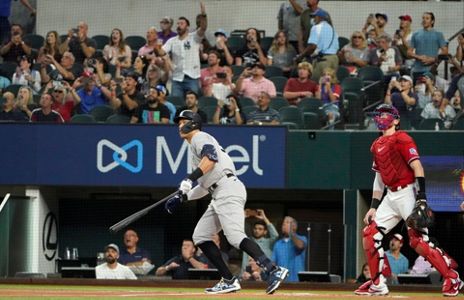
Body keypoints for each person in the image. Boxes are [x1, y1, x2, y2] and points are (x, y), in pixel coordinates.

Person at [164, 110, 289, 294]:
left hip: (227, 188)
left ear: (194, 123)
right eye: (178, 123)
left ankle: (273, 270)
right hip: (218, 191)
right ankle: (229, 279)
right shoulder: (192, 149)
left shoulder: (199, 136)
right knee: (200, 236)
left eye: (183, 121)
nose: (180, 126)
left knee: (235, 237)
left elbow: (211, 159)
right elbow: (205, 186)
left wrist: (189, 179)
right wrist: (183, 196)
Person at [354, 103, 462, 297]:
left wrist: (421, 198)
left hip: (408, 192)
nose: (381, 117)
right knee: (370, 234)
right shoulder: (376, 144)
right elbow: (379, 179)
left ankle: (451, 276)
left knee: (418, 240)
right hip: (390, 195)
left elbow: (418, 167)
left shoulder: (402, 138)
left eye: (386, 114)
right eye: (379, 114)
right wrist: (373, 207)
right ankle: (377, 283)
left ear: (396, 120)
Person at [162, 3, 207, 98]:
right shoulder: (172, 41)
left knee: (192, 103)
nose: (179, 25)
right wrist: (158, 50)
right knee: (176, 103)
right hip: (177, 79)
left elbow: (203, 28)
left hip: (192, 78)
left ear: (187, 26)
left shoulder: (194, 37)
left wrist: (203, 14)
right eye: (178, 24)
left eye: (181, 23)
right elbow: (162, 52)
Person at [297, 10, 339, 82]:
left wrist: (301, 56)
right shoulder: (333, 29)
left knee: (316, 83)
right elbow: (337, 47)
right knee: (330, 83)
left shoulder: (316, 27)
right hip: (334, 59)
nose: (313, 19)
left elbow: (312, 46)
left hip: (323, 61)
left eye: (314, 17)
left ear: (320, 17)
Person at [407, 12, 448, 83]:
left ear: (432, 21)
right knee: (417, 92)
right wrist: (419, 57)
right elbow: (409, 52)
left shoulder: (438, 34)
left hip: (431, 70)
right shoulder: (416, 34)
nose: (424, 20)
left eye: (427, 18)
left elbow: (445, 51)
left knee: (429, 92)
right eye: (423, 18)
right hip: (417, 70)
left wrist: (433, 59)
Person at [241, 209, 279, 274]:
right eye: (255, 228)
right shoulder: (247, 241)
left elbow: (275, 235)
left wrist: (264, 218)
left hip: (264, 276)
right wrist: (242, 217)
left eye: (260, 229)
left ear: (265, 232)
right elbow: (238, 233)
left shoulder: (268, 242)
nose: (257, 231)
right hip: (246, 275)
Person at [271, 216, 307, 282]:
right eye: (283, 223)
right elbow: (273, 262)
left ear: (294, 226)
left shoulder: (302, 238)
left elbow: (300, 246)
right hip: (281, 281)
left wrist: (291, 233)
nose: (284, 225)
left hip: (297, 280)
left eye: (287, 222)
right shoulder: (278, 244)